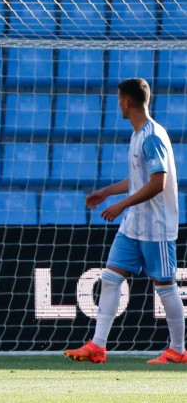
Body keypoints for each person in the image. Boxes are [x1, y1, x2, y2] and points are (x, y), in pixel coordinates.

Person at [64, 78, 185, 365]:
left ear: (127, 102)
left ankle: (178, 350)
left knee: (166, 287)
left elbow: (158, 182)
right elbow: (139, 179)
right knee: (110, 278)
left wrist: (120, 205)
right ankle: (98, 345)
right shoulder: (138, 134)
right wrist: (107, 192)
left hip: (156, 227)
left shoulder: (153, 136)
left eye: (119, 99)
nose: (118, 104)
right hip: (134, 225)